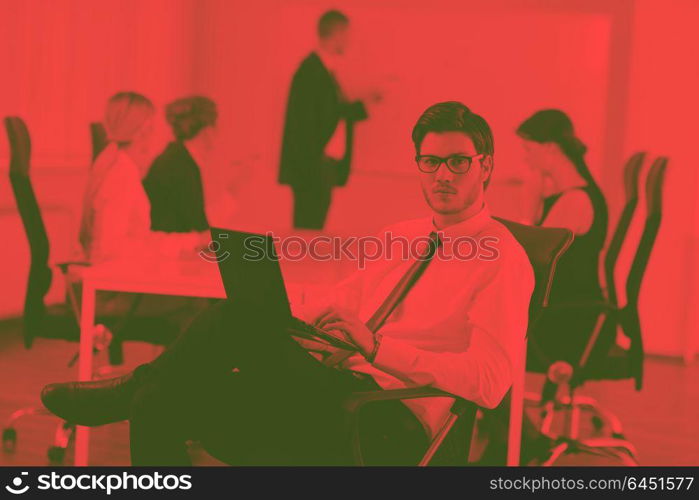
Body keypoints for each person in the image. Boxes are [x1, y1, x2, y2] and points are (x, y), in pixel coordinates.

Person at [42, 102, 534, 465]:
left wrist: (379, 349)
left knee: (231, 318)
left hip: (385, 415)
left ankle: (123, 390)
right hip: (329, 387)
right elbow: (350, 295)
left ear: (485, 165)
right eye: (431, 161)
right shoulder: (401, 236)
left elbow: (490, 384)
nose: (442, 174)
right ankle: (138, 390)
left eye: (458, 161)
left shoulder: (503, 259)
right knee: (159, 403)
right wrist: (294, 322)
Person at [75, 92, 211, 362]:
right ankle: (178, 384)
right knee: (203, 302)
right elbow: (113, 249)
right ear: (143, 130)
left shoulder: (117, 166)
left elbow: (138, 239)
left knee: (198, 306)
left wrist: (189, 241)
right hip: (111, 292)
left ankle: (175, 381)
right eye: (151, 128)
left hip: (113, 284)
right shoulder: (120, 176)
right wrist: (178, 247)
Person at [516, 109, 609, 370]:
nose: (527, 160)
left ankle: (501, 411)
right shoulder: (567, 195)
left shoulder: (575, 201)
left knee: (489, 336)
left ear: (550, 149)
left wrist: (526, 211)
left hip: (569, 323)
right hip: (568, 312)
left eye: (529, 150)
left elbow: (531, 262)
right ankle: (504, 411)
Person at [278, 10, 370, 230]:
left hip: (321, 166)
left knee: (313, 228)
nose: (348, 40)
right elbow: (312, 121)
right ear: (336, 34)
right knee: (307, 230)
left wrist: (363, 105)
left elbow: (332, 112)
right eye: (346, 34)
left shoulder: (324, 71)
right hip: (312, 167)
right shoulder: (311, 71)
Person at [143, 96, 215, 233]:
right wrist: (234, 189)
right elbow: (200, 226)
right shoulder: (181, 165)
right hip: (168, 249)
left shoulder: (175, 157)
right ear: (208, 130)